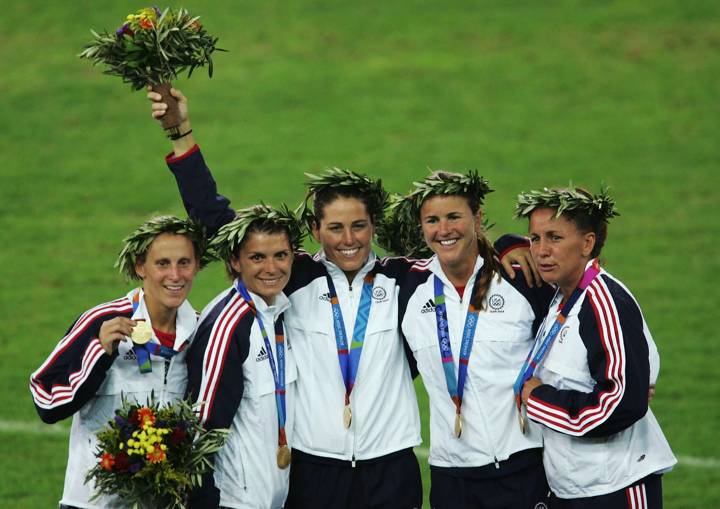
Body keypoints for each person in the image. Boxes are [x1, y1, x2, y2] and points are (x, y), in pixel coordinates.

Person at [148, 87, 536, 508]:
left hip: (392, 472)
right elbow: (220, 223)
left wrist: (514, 244)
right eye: (335, 228)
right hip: (315, 472)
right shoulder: (291, 276)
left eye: (359, 227)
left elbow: (458, 249)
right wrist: (180, 133)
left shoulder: (407, 281)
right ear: (316, 231)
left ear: (374, 226)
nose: (348, 240)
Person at [377, 171, 554, 509]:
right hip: (452, 476)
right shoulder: (406, 288)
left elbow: (577, 312)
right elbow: (345, 263)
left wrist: (513, 244)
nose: (444, 230)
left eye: (454, 216)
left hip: (524, 466)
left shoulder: (519, 278)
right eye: (432, 220)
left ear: (477, 217)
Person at [29, 216, 210, 509]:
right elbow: (47, 402)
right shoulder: (102, 321)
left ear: (197, 266)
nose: (175, 275)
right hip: (91, 502)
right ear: (141, 267)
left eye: (184, 263)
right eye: (162, 263)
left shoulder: (202, 332)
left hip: (164, 502)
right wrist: (99, 354)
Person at [515, 186, 677, 508]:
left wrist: (538, 399)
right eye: (535, 239)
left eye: (555, 238)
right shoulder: (562, 297)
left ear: (587, 243)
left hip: (618, 488)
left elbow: (621, 405)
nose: (541, 251)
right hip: (573, 488)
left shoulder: (604, 303)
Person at [185, 204, 303, 508]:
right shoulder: (228, 326)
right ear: (235, 261)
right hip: (234, 500)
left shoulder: (279, 310)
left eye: (281, 255)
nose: (271, 268)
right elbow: (201, 427)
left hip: (273, 496)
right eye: (257, 258)